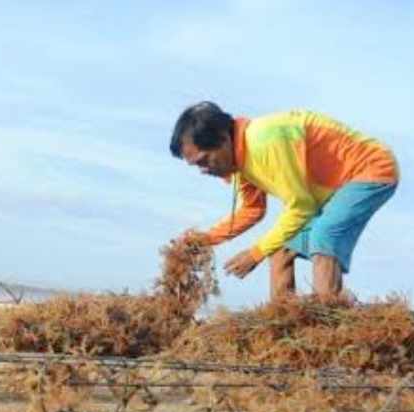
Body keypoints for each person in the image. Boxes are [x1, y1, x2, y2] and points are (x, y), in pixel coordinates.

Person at [170, 101, 398, 302]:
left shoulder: (264, 142)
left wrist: (255, 254)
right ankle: (282, 326)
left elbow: (302, 206)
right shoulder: (239, 162)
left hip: (370, 169)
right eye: (197, 166)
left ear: (222, 139)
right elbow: (253, 209)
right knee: (280, 250)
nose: (204, 170)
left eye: (204, 160)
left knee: (323, 235)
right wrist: (206, 240)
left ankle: (327, 327)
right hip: (333, 191)